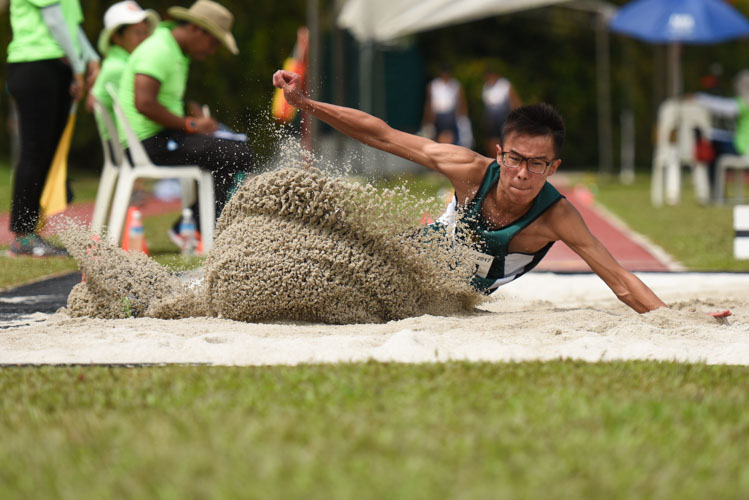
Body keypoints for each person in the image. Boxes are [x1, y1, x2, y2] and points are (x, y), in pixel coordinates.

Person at [273, 69, 667, 313]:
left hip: (453, 294)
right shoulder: (471, 171)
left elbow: (620, 280)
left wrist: (670, 317)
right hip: (421, 252)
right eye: (514, 159)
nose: (522, 174)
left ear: (553, 168)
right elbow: (381, 135)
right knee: (341, 261)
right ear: (499, 154)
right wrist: (305, 103)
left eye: (537, 164)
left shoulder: (557, 216)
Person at [116, 0, 254, 246]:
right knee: (238, 152)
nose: (212, 51)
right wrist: (190, 125)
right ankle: (195, 229)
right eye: (213, 42)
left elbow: (162, 100)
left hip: (161, 137)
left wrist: (191, 115)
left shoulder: (173, 50)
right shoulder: (160, 49)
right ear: (197, 29)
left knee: (232, 152)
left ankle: (195, 228)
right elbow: (144, 103)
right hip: (149, 143)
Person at [6, 0, 100, 257]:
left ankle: (32, 232)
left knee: (46, 153)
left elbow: (72, 26)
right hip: (34, 65)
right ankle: (23, 236)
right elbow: (54, 21)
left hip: (58, 67)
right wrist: (80, 67)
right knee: (34, 152)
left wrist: (91, 57)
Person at [88, 1, 159, 138]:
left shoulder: (117, 63)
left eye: (146, 33)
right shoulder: (119, 69)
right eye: (138, 33)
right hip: (130, 148)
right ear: (117, 38)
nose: (144, 39)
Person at [421, 65, 473, 148]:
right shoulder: (433, 85)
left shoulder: (455, 85)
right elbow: (429, 103)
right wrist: (427, 120)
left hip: (450, 115)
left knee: (448, 137)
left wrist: (463, 119)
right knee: (438, 138)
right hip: (437, 115)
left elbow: (461, 103)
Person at [482, 67, 522, 157]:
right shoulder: (486, 87)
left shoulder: (505, 85)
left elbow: (514, 101)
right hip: (492, 117)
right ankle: (494, 159)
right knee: (492, 140)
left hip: (504, 116)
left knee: (506, 139)